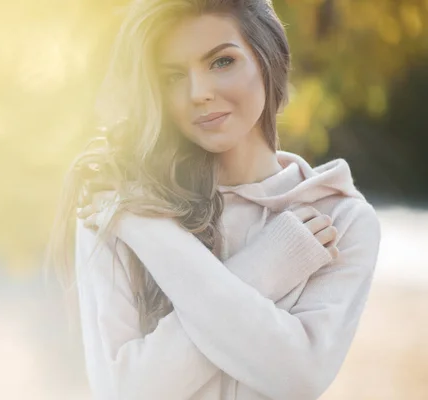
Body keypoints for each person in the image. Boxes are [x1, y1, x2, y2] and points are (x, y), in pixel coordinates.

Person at [44, 0, 382, 399]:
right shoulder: (115, 207)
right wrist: (267, 266)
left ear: (267, 58)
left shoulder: (341, 218)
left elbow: (297, 377)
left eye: (221, 62)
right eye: (172, 77)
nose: (198, 93)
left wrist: (144, 231)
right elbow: (126, 391)